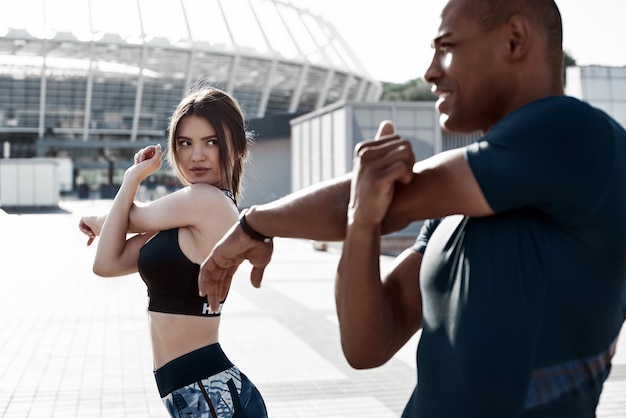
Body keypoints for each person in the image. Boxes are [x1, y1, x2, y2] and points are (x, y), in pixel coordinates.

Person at [197, 0, 626, 417]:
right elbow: (367, 346)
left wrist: (253, 225)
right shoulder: (457, 202)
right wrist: (362, 220)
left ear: (514, 39)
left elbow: (392, 201)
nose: (430, 72)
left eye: (448, 46)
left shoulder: (574, 133)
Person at [78, 86, 268, 418]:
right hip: (196, 395)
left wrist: (106, 210)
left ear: (236, 147)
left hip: (212, 397)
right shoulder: (183, 217)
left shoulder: (205, 201)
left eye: (211, 142)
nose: (197, 156)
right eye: (185, 143)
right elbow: (106, 264)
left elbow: (131, 217)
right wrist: (129, 183)